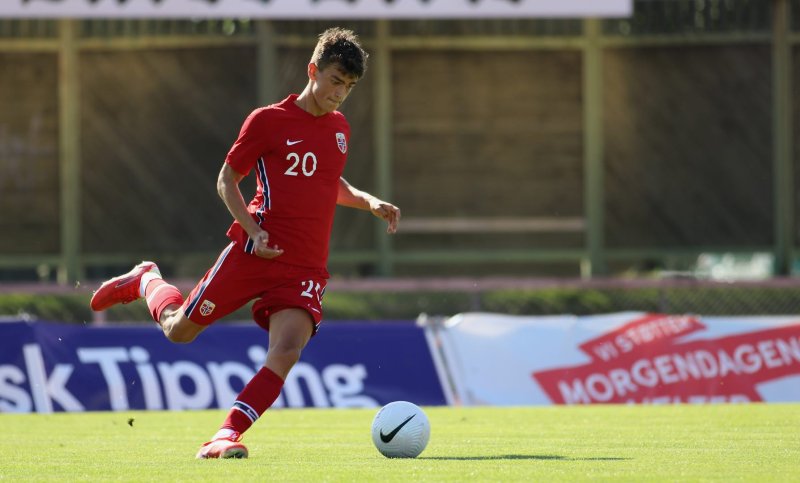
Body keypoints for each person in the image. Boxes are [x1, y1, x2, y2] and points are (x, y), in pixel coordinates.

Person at [89, 27, 400, 460]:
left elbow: (326, 180)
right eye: (334, 80)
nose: (340, 93)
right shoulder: (267, 120)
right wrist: (252, 230)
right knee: (179, 332)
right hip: (255, 252)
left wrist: (368, 201)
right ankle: (147, 280)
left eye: (348, 86)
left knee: (287, 350)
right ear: (313, 70)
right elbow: (226, 180)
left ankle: (224, 436)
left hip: (305, 266)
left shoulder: (339, 129)